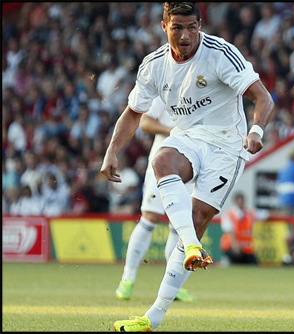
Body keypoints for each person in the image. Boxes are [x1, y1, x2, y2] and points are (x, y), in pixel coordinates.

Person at [100, 3, 274, 332]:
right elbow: (134, 112)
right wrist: (112, 151)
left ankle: (153, 318)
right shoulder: (153, 66)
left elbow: (263, 97)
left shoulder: (221, 53)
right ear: (164, 25)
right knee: (162, 159)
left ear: (200, 25)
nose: (185, 35)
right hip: (189, 136)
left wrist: (256, 131)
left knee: (195, 219)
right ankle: (190, 244)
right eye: (177, 27)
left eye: (192, 27)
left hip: (227, 145)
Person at [115, 96, 197, 303]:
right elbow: (145, 122)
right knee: (149, 218)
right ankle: (128, 278)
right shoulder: (167, 88)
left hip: (192, 164)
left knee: (179, 226)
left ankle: (174, 285)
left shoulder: (203, 88)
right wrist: (175, 131)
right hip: (162, 161)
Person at [220, 192, 269, 265]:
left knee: (253, 263)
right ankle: (227, 260)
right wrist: (235, 246)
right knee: (235, 259)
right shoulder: (229, 214)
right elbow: (230, 231)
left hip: (246, 248)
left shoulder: (250, 213)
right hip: (231, 246)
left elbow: (265, 214)